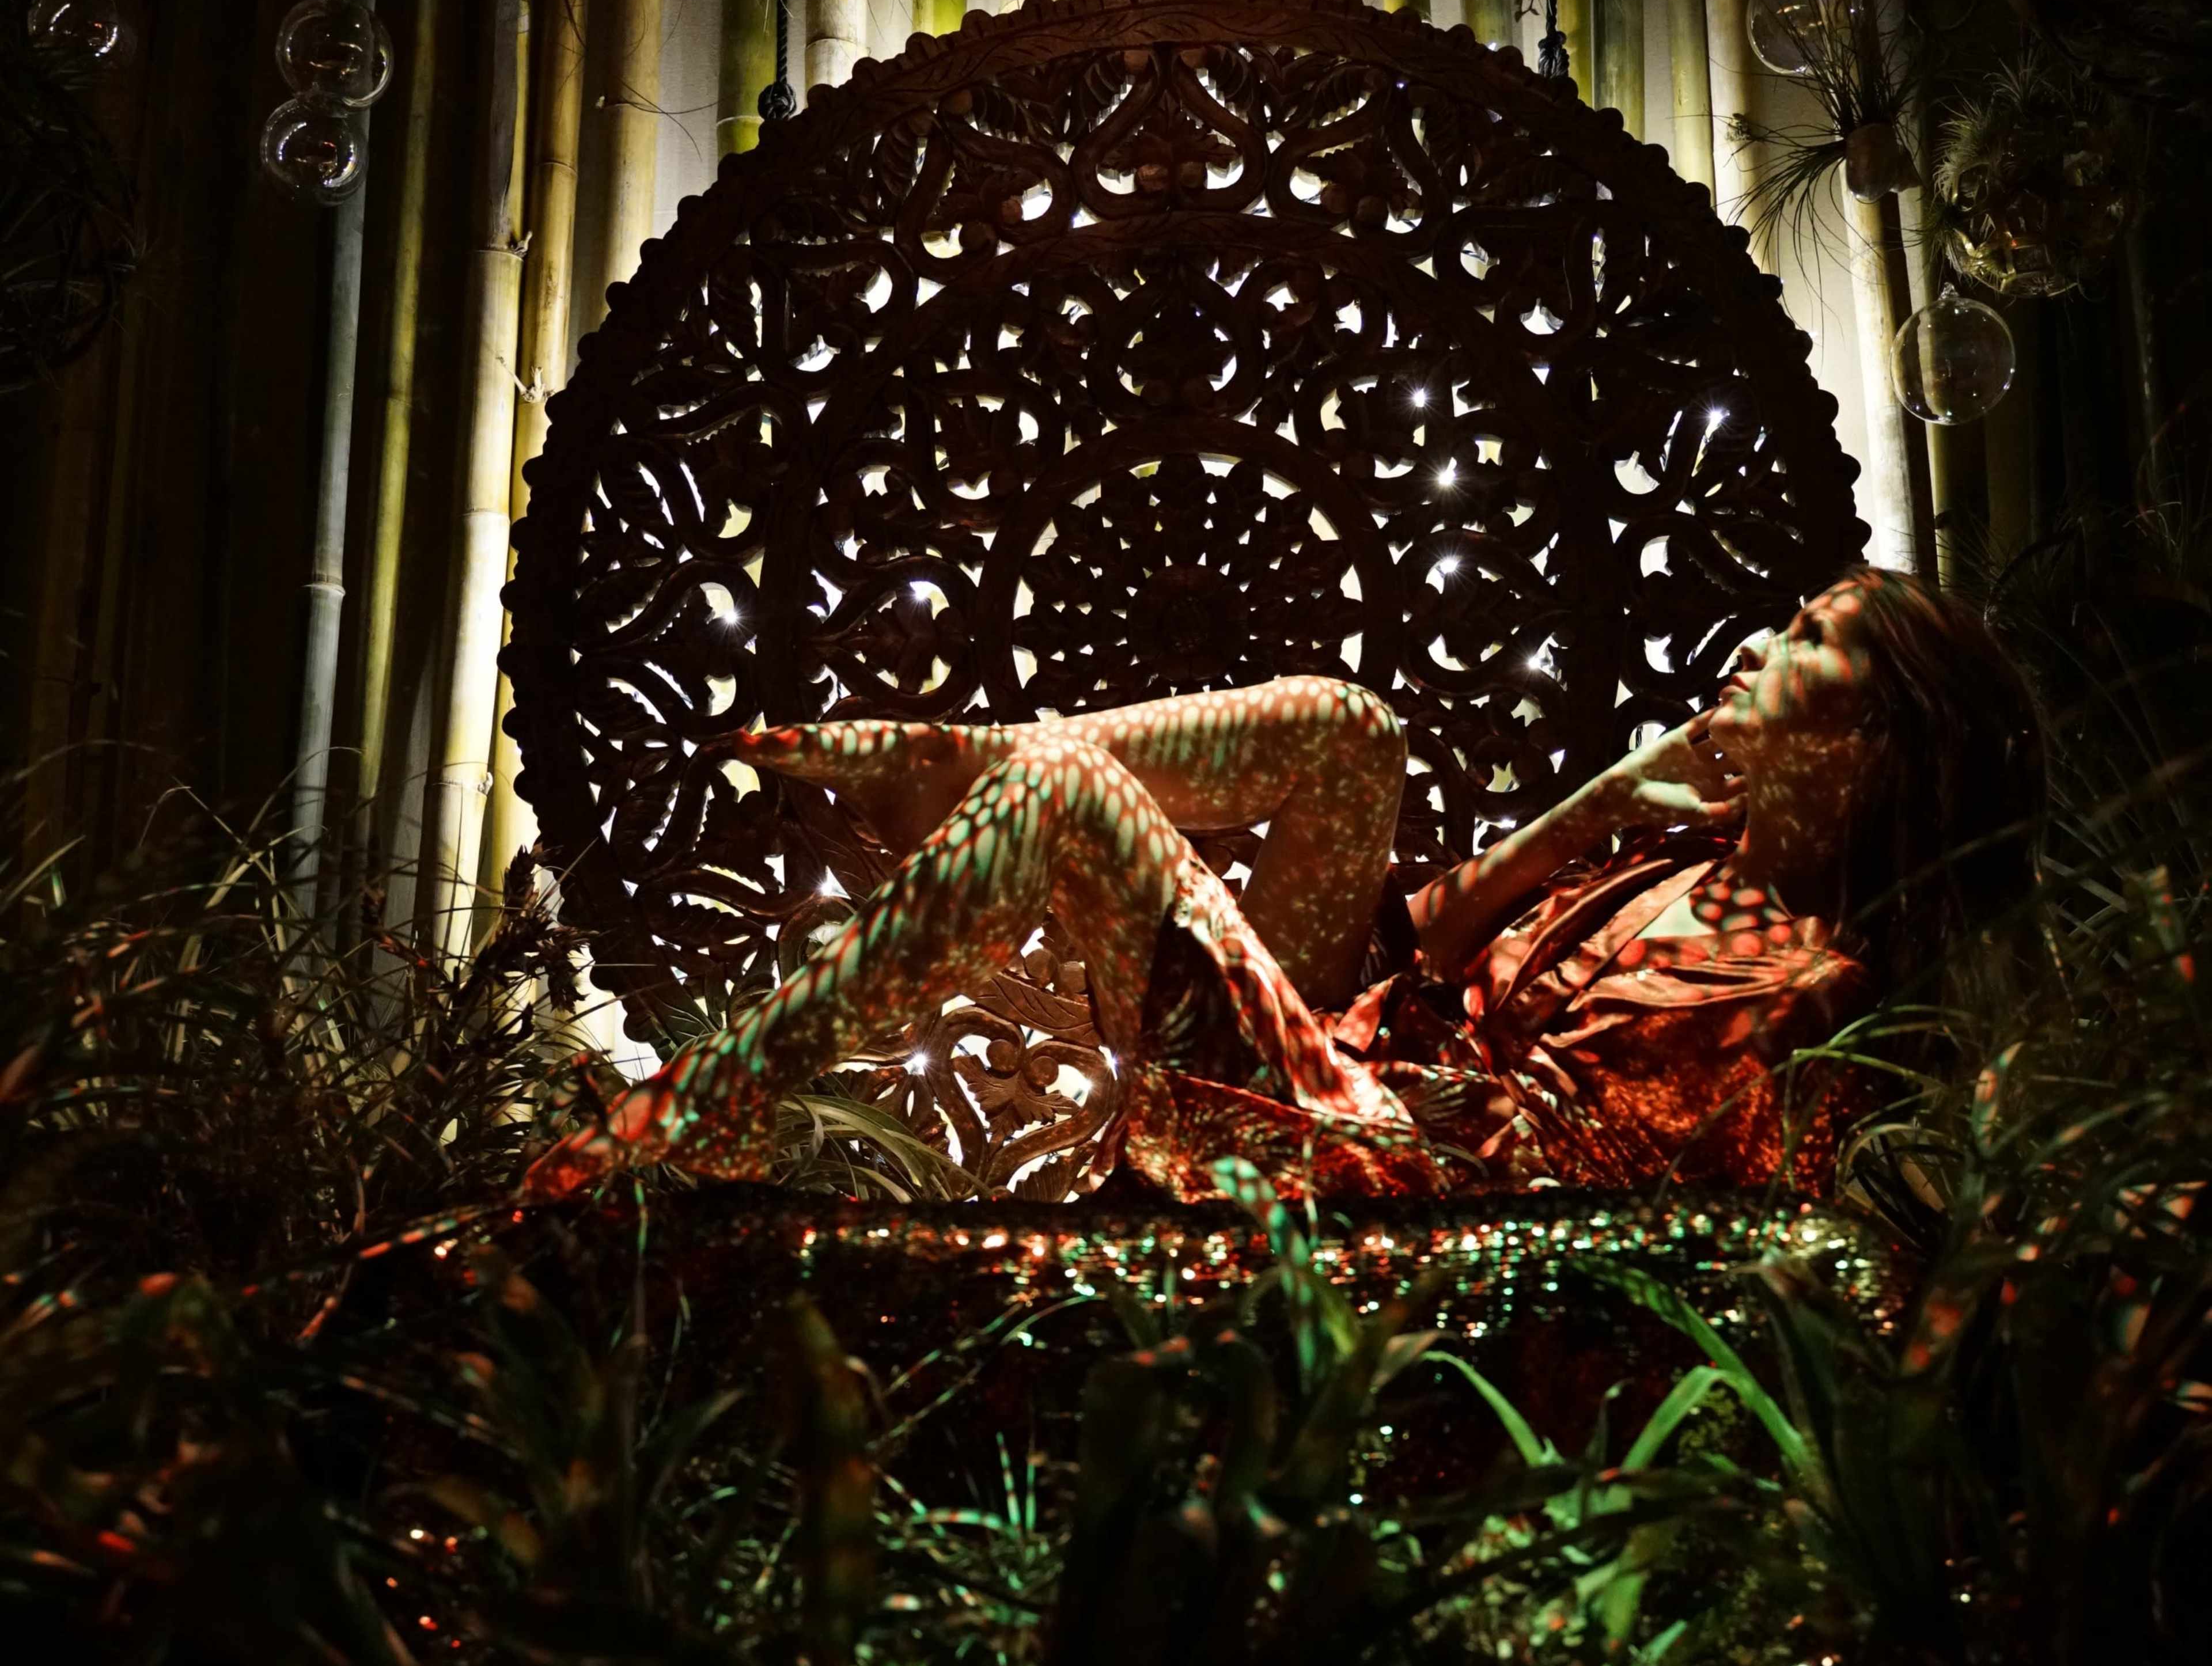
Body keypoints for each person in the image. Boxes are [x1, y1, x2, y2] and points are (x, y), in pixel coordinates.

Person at [524, 568, 2046, 1205]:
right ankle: (970, 756)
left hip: (1367, 1161)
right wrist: (1585, 815)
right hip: (1360, 1044)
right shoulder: (1681, 861)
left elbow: (1541, 1179)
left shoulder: (1795, 994)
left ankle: (667, 1122)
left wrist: (1352, 1073)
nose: (1749, 654)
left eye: (1808, 643)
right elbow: (1435, 941)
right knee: (1347, 732)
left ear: (1879, 752)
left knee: (1071, 801)